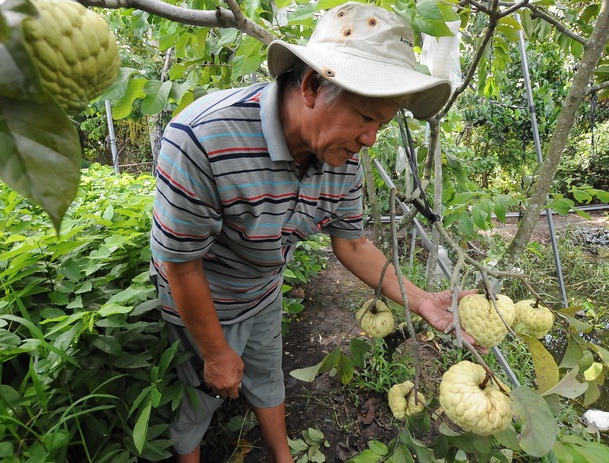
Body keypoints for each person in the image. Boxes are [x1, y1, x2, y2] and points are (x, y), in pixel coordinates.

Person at [149, 3, 478, 462]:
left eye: (381, 125)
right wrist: (216, 351)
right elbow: (181, 264)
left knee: (267, 376)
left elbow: (353, 243)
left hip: (264, 290)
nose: (370, 139)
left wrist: (423, 302)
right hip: (204, 299)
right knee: (199, 399)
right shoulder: (202, 138)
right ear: (310, 86)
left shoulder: (343, 161)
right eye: (365, 117)